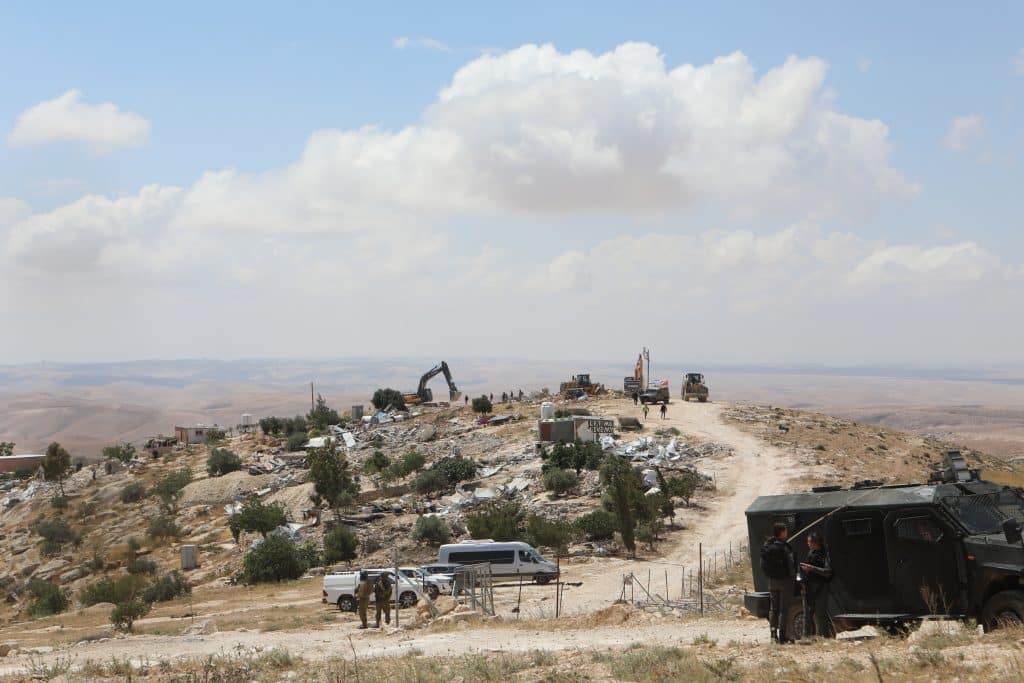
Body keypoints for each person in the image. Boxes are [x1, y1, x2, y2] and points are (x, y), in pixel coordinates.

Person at [762, 522, 797, 643]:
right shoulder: (785, 548)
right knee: (783, 609)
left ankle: (773, 635)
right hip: (785, 582)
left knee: (773, 609)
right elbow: (791, 566)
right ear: (782, 532)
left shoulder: (769, 546)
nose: (787, 533)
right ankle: (782, 636)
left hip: (772, 581)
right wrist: (793, 579)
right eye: (785, 531)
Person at [799, 531, 833, 639]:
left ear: (815, 542)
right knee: (807, 614)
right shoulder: (811, 553)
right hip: (810, 587)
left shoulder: (825, 554)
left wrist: (812, 568)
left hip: (821, 587)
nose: (808, 544)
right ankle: (807, 638)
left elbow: (828, 572)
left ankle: (825, 637)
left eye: (809, 542)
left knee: (821, 614)